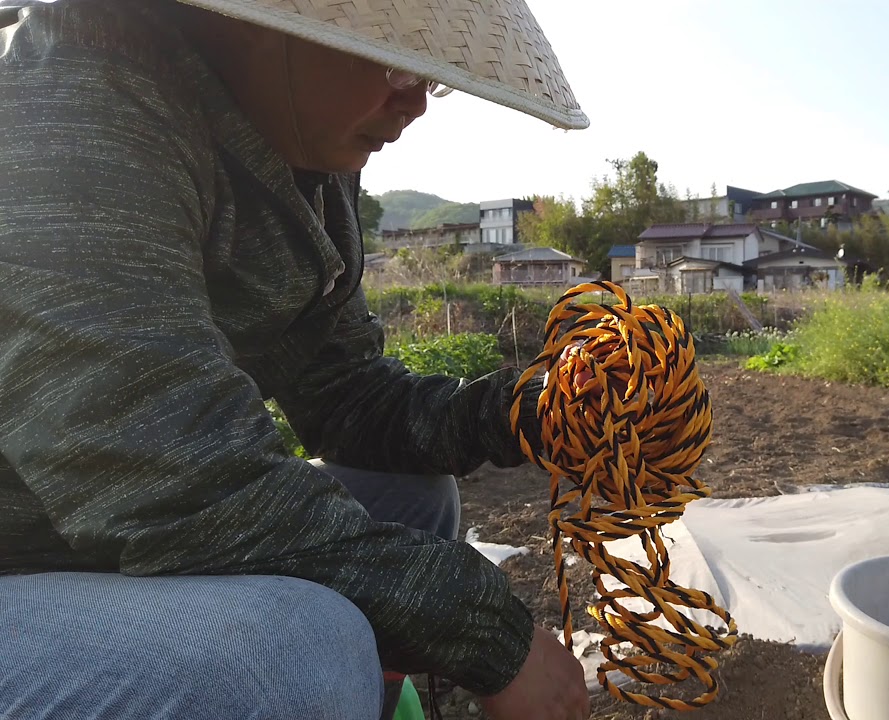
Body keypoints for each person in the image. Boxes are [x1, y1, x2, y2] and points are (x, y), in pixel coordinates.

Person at [0, 1, 592, 719]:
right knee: (298, 651)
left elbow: (344, 395)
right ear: (269, 19)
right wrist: (485, 631)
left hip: (104, 539)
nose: (415, 105)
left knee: (413, 497)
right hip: (25, 555)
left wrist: (533, 411)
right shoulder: (75, 104)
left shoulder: (303, 148)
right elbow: (160, 471)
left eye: (430, 79)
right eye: (398, 61)